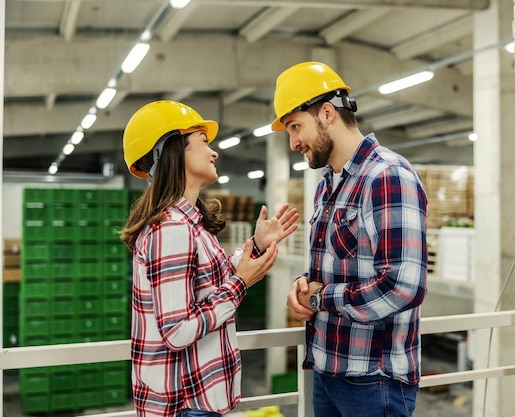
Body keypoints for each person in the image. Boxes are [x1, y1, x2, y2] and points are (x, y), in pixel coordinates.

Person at [120, 100, 299, 417]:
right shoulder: (170, 230)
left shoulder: (188, 224)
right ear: (175, 151)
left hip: (195, 402)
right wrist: (241, 284)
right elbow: (177, 331)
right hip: (186, 405)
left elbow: (210, 281)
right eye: (203, 142)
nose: (214, 152)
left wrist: (255, 245)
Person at [277, 62, 428, 417]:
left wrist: (320, 299)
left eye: (296, 126)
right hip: (328, 370)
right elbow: (337, 264)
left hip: (373, 381)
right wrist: (303, 285)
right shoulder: (327, 185)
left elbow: (403, 286)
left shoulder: (387, 176)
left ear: (327, 113)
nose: (294, 142)